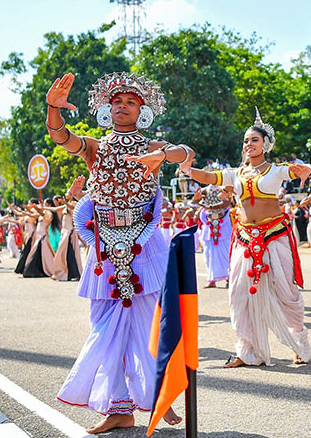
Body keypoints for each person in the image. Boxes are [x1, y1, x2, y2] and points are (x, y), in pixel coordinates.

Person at [45, 72, 185, 433]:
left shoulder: (153, 145)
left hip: (143, 241)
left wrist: (164, 155)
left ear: (142, 110)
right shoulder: (96, 146)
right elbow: (61, 137)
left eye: (131, 102)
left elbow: (187, 154)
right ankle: (120, 408)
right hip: (104, 243)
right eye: (117, 101)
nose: (122, 106)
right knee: (104, 324)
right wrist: (53, 109)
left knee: (147, 322)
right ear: (108, 108)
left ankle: (158, 395)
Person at [177, 107, 311, 368]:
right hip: (245, 238)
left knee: (287, 293)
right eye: (246, 140)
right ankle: (247, 350)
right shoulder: (235, 173)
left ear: (266, 144)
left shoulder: (276, 170)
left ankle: (300, 343)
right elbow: (208, 177)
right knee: (238, 294)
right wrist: (188, 170)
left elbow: (299, 171)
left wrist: (303, 170)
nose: (248, 144)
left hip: (274, 236)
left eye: (254, 140)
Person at [193, 185, 232, 288]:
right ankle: (212, 280)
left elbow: (228, 203)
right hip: (208, 224)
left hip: (224, 224)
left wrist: (210, 206)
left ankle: (229, 278)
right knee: (208, 255)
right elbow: (196, 201)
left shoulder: (225, 188)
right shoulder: (205, 189)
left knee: (226, 253)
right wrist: (197, 199)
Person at [51, 176, 85, 281]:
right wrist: (42, 207)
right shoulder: (66, 205)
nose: (67, 195)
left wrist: (65, 203)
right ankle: (64, 272)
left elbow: (72, 208)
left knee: (68, 252)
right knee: (63, 252)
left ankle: (73, 273)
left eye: (69, 194)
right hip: (65, 231)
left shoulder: (74, 204)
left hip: (69, 232)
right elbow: (55, 208)